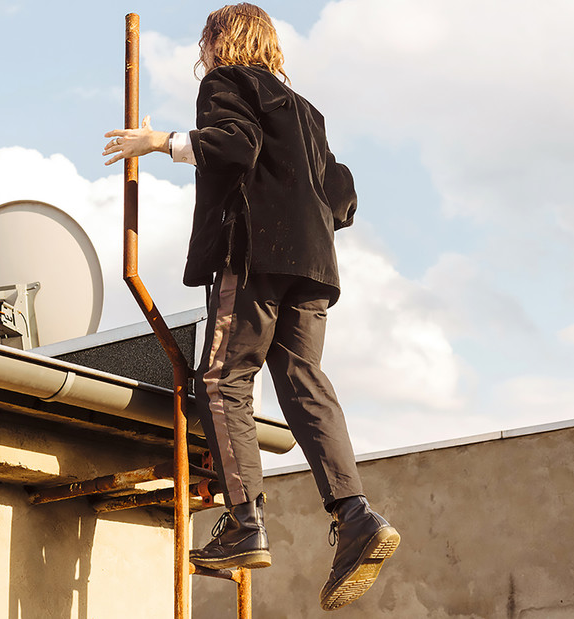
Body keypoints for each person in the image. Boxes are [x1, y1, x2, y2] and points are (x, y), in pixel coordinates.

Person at [102, 3, 399, 611]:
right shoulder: (307, 113)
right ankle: (354, 513)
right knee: (302, 378)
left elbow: (235, 146)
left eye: (206, 43)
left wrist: (158, 142)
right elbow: (342, 193)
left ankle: (244, 522)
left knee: (224, 378)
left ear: (219, 42)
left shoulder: (226, 83)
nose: (203, 55)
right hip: (314, 267)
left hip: (255, 254)